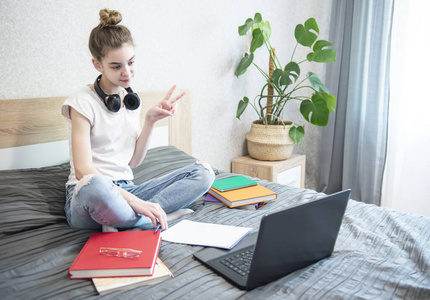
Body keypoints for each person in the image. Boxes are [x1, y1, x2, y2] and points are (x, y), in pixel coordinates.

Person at [61, 8, 214, 232]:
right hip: (90, 194)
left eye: (131, 62)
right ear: (97, 64)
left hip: (126, 190)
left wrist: (151, 121)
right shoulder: (80, 103)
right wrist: (137, 203)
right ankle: (152, 218)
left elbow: (133, 162)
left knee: (203, 173)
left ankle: (130, 219)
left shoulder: (130, 100)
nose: (127, 72)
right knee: (97, 186)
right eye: (116, 66)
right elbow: (84, 171)